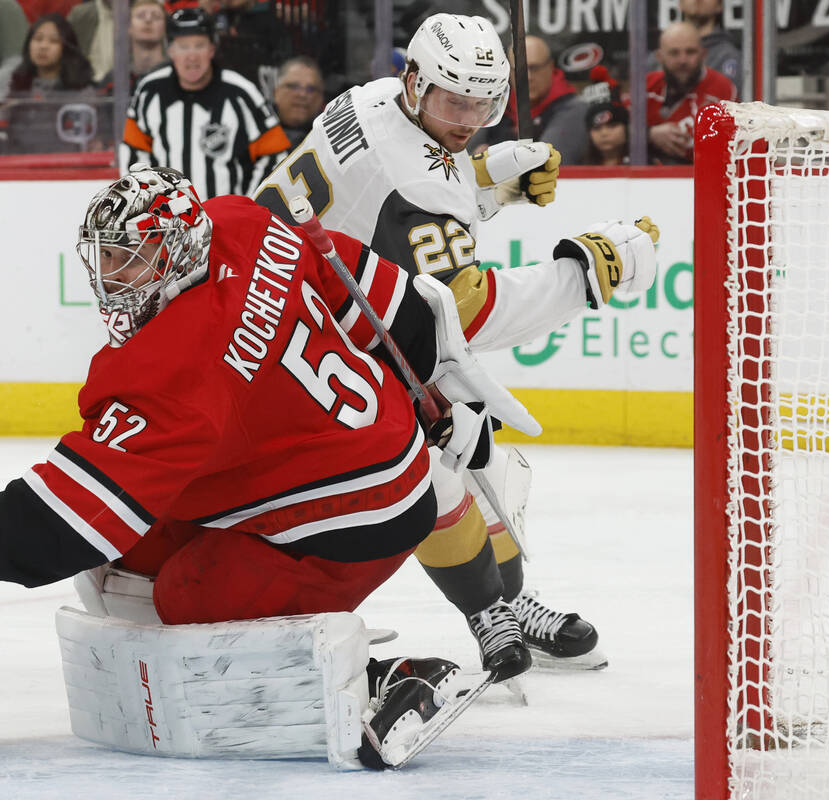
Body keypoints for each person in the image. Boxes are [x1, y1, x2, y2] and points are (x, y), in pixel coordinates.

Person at [0, 165, 658, 762]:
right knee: (126, 563)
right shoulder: (243, 223)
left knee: (178, 595)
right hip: (355, 452)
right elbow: (391, 305)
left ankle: (373, 679)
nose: (113, 280)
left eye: (132, 260)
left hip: (353, 520)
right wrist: (450, 393)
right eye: (106, 260)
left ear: (174, 254)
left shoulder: (174, 370)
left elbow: (77, 515)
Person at [256, 14, 632, 679]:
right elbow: (466, 310)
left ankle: (508, 603)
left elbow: (386, 196)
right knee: (434, 468)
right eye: (453, 101)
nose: (466, 118)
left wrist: (486, 179)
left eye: (484, 104)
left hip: (300, 309)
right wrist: (583, 275)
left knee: (464, 451)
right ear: (415, 80)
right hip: (302, 345)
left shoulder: (372, 99)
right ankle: (488, 609)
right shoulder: (417, 180)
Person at [119, 7, 291, 197]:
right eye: (184, 46)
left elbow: (275, 155)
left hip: (227, 222)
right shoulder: (150, 91)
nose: (192, 55)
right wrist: (149, 205)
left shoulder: (241, 93)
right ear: (170, 50)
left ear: (211, 49)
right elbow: (134, 154)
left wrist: (249, 207)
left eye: (199, 45)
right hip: (168, 222)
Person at [0, 13, 97, 154]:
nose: (43, 46)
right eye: (37, 39)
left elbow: (92, 145)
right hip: (17, 168)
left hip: (69, 169)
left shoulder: (82, 91)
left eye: (53, 41)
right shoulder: (12, 87)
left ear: (66, 47)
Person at [477, 34, 589, 165]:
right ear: (508, 71)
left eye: (534, 68)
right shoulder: (496, 104)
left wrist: (490, 160)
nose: (528, 77)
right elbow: (464, 159)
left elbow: (546, 164)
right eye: (520, 69)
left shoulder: (573, 108)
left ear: (551, 66)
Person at [646, 21, 737, 165]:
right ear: (659, 57)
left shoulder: (722, 89)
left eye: (690, 52)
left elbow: (727, 149)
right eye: (674, 53)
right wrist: (649, 134)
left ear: (703, 54)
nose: (683, 60)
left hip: (700, 177)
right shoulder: (647, 86)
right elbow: (617, 132)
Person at [646, 0, 740, 93]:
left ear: (720, 5)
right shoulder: (656, 57)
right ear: (680, 3)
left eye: (690, 52)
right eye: (674, 53)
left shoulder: (730, 57)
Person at [273, 55, 326, 149]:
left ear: (321, 98)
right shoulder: (255, 133)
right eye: (293, 86)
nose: (302, 95)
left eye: (311, 89)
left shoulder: (328, 141)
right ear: (276, 93)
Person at [585, 101, 630, 166]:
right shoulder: (580, 167)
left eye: (612, 126)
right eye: (597, 128)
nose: (604, 133)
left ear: (626, 129)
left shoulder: (643, 163)